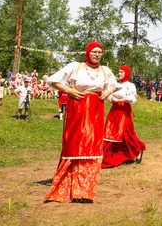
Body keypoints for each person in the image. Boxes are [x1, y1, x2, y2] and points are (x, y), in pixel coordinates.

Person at [44, 42, 118, 203]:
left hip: (96, 109)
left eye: (99, 52)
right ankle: (69, 186)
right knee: (75, 144)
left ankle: (84, 191)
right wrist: (69, 90)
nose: (97, 55)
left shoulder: (105, 70)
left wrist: (107, 92)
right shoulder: (75, 66)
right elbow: (53, 80)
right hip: (77, 107)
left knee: (92, 146)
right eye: (94, 51)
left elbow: (115, 85)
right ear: (87, 52)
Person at [102, 65, 146, 168]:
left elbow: (132, 99)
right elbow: (110, 94)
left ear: (126, 73)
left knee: (125, 133)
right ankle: (111, 155)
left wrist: (120, 100)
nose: (119, 73)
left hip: (123, 111)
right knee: (110, 131)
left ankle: (138, 150)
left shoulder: (130, 85)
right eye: (119, 72)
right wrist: (111, 98)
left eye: (122, 72)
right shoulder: (116, 85)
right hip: (114, 110)